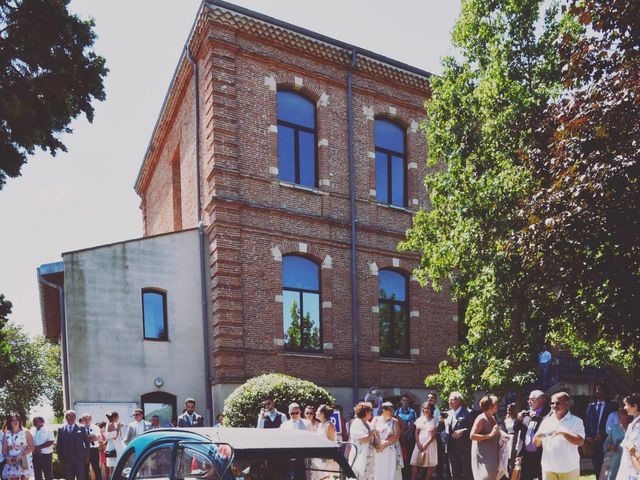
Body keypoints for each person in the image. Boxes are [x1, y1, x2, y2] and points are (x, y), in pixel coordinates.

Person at [534, 391, 585, 480]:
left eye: (558, 403)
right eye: (552, 403)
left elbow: (580, 442)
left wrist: (563, 433)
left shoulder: (577, 421)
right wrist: (537, 437)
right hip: (548, 468)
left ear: (566, 403)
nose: (554, 405)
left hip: (569, 468)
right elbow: (537, 444)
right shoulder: (546, 421)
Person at [514, 389, 550, 480]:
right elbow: (516, 429)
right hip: (526, 455)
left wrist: (537, 418)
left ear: (542, 400)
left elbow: (548, 431)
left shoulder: (549, 414)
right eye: (528, 399)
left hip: (541, 454)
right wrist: (518, 419)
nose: (529, 402)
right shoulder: (526, 414)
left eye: (532, 399)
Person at [586, 384, 617, 478]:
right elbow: (587, 422)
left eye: (599, 389)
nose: (597, 391)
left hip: (606, 441)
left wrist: (603, 435)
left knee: (606, 467)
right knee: (596, 467)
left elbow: (614, 424)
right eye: (595, 389)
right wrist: (587, 436)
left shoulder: (611, 406)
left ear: (605, 391)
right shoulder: (590, 406)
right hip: (593, 442)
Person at [470, 395, 501, 480]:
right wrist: (490, 435)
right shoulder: (481, 418)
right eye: (496, 404)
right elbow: (472, 436)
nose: (497, 406)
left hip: (492, 455)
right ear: (490, 406)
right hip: (483, 457)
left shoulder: (493, 417)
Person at [443, 391, 472, 480]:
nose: (449, 402)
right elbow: (442, 429)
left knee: (469, 473)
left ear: (458, 401)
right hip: (451, 449)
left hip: (465, 449)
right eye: (449, 400)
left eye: (452, 400)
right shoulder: (448, 414)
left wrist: (463, 431)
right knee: (454, 474)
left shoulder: (469, 412)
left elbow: (474, 429)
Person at [57, 410, 90, 480]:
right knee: (69, 477)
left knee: (81, 477)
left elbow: (87, 442)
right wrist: (60, 457)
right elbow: (59, 445)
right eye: (69, 416)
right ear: (66, 418)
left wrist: (87, 455)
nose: (71, 418)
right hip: (67, 459)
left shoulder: (81, 428)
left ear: (75, 417)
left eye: (73, 416)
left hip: (79, 458)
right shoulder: (61, 429)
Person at [349, 402, 377, 480]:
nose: (372, 412)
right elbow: (364, 440)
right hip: (359, 457)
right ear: (366, 412)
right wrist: (372, 432)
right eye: (370, 410)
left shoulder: (368, 424)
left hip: (369, 459)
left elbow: (372, 440)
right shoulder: (356, 424)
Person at [373, 401, 401, 479]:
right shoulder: (376, 419)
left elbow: (397, 435)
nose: (392, 412)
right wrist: (377, 444)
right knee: (378, 471)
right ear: (384, 410)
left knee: (389, 471)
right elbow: (371, 432)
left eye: (393, 410)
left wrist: (385, 443)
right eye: (390, 410)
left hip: (389, 449)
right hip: (378, 449)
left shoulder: (394, 421)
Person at [410, 402, 438, 480]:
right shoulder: (419, 419)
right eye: (425, 408)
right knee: (415, 463)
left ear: (432, 409)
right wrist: (418, 443)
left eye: (428, 408)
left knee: (429, 465)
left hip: (430, 444)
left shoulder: (435, 420)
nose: (426, 410)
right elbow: (416, 432)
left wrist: (427, 444)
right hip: (419, 444)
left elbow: (434, 434)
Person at [600, 407, 630, 480]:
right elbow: (606, 444)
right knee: (613, 476)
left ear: (628, 418)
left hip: (629, 459)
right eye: (621, 419)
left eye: (625, 419)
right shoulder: (614, 428)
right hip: (616, 458)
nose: (623, 421)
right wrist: (611, 446)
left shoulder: (632, 427)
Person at [615, 393, 640, 480]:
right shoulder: (632, 424)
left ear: (635, 406)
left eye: (627, 404)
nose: (625, 407)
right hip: (628, 467)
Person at [2, 412, 34, 480]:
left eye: (16, 420)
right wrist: (6, 456)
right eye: (13, 420)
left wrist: (22, 454)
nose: (15, 421)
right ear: (10, 422)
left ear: (19, 421)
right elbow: (4, 449)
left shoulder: (26, 432)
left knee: (24, 477)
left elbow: (32, 447)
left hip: (24, 459)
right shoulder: (6, 433)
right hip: (11, 459)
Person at [311, 405, 339, 480]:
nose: (315, 412)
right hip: (320, 458)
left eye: (317, 411)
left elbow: (332, 443)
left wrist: (328, 458)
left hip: (328, 459)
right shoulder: (320, 425)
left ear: (322, 414)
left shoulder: (329, 425)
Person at [395, 394, 417, 480]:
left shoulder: (412, 412)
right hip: (400, 439)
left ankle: (408, 477)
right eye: (403, 400)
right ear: (401, 401)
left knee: (409, 458)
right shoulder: (397, 412)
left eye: (406, 400)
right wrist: (400, 434)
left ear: (408, 402)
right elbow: (395, 424)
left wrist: (405, 433)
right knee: (401, 458)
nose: (405, 402)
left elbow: (413, 425)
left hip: (409, 438)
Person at [80, 414, 102, 480]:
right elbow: (79, 439)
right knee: (85, 469)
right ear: (83, 420)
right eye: (85, 419)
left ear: (91, 419)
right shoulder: (80, 428)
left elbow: (96, 438)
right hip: (84, 450)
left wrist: (85, 437)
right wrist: (91, 436)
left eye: (88, 419)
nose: (87, 421)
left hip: (94, 450)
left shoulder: (96, 427)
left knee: (96, 469)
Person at [104, 411, 125, 477]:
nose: (118, 418)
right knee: (113, 467)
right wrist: (118, 427)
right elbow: (115, 437)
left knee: (115, 466)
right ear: (114, 417)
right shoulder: (111, 424)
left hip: (115, 446)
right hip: (114, 447)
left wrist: (119, 426)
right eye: (117, 417)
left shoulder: (111, 424)